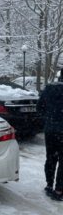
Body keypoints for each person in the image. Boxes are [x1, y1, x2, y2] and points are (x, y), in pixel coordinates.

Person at [37, 69, 63, 201]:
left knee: (51, 158)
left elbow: (39, 107)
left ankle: (49, 185)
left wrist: (48, 120)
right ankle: (59, 190)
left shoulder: (49, 89)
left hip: (51, 130)